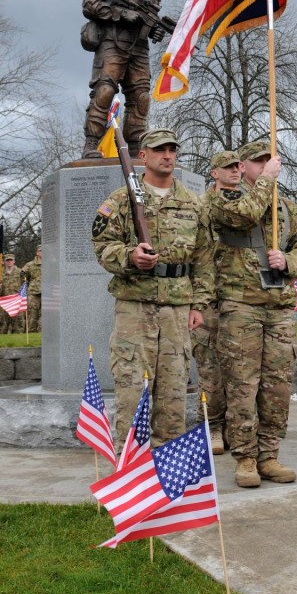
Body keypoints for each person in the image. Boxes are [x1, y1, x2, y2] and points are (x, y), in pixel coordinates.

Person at [92, 129, 214, 449]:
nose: (168, 155)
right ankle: (131, 468)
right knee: (132, 388)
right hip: (136, 306)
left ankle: (165, 468)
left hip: (177, 309)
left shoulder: (193, 203)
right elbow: (102, 246)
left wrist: (199, 305)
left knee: (173, 394)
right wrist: (130, 257)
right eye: (160, 149)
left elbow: (204, 257)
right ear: (143, 156)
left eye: (173, 149)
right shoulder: (120, 201)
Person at [208, 140, 297, 488]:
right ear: (242, 167)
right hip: (241, 306)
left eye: (269, 161)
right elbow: (242, 216)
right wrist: (266, 182)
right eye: (257, 162)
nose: (264, 167)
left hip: (280, 306)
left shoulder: (286, 207)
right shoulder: (223, 198)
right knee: (242, 384)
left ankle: (269, 454)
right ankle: (245, 457)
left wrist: (290, 262)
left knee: (277, 386)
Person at [81, 0, 168, 159]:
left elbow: (150, 15)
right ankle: (91, 144)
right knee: (105, 90)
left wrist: (154, 31)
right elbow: (89, 4)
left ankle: (135, 148)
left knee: (141, 97)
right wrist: (120, 14)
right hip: (112, 42)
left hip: (139, 48)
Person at [191, 150, 241, 455]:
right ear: (214, 173)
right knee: (209, 368)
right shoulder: (199, 206)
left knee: (238, 368)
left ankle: (237, 427)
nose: (235, 170)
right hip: (209, 297)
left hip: (240, 296)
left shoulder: (248, 204)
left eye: (238, 166)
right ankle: (210, 427)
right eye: (228, 167)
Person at [0, 254, 24, 335]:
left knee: (18, 323)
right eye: (7, 260)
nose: (9, 262)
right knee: (3, 323)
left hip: (16, 300)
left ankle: (19, 339)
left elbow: (25, 284)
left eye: (11, 260)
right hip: (4, 301)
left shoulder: (20, 272)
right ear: (4, 262)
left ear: (14, 261)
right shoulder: (0, 272)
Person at [22, 246, 42, 333]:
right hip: (33, 293)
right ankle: (31, 334)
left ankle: (44, 335)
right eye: (41, 251)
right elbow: (22, 275)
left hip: (48, 292)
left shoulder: (51, 263)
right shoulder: (30, 265)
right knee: (32, 315)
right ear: (37, 252)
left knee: (46, 316)